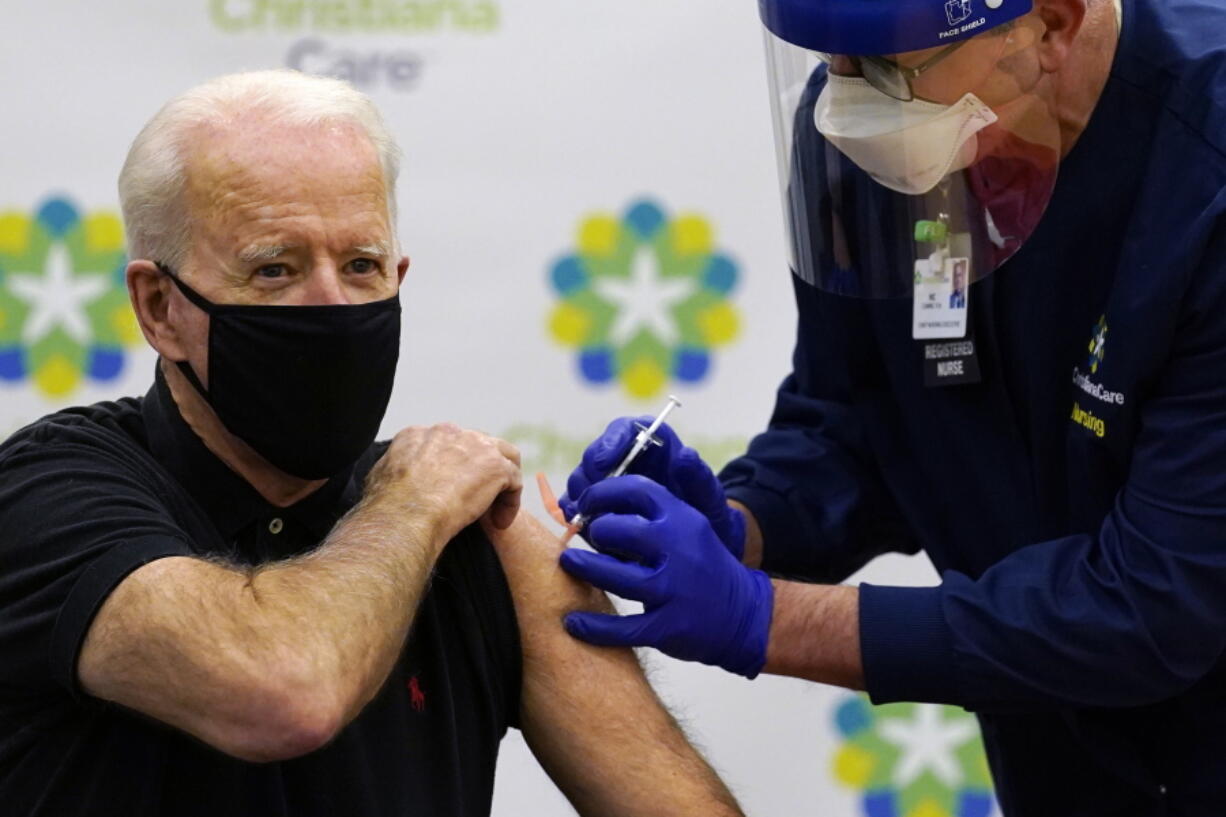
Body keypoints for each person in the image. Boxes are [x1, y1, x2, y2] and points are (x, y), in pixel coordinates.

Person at [0, 70, 743, 817]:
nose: (331, 305)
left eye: (361, 266)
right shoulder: (49, 493)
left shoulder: (484, 540)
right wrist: (414, 505)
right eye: (274, 269)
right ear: (160, 308)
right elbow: (281, 690)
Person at [556, 0, 1226, 814]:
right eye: (832, 62)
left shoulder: (1203, 171)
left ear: (1050, 24)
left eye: (885, 70)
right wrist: (744, 520)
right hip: (1057, 758)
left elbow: (1156, 601)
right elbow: (856, 421)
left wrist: (762, 619)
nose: (844, 105)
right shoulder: (881, 139)